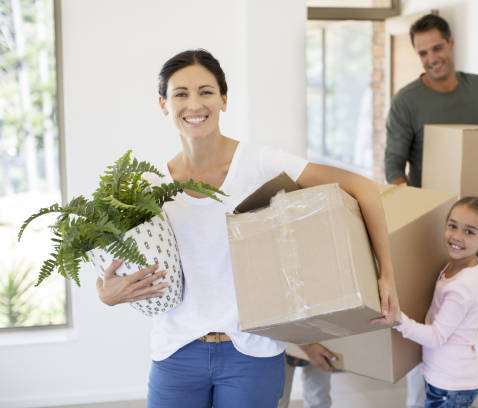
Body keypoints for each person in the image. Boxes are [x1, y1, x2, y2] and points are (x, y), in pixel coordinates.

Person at [95, 49, 399, 408]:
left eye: (206, 91)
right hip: (175, 353)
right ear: (164, 104)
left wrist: (386, 274)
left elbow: (363, 188)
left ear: (224, 99)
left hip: (251, 352)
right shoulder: (149, 186)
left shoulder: (260, 163)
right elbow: (114, 265)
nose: (194, 103)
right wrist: (107, 295)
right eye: (181, 94)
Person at [375, 196, 478, 408]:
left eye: (469, 231)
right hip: (446, 379)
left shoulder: (462, 287)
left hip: (450, 386)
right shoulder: (457, 265)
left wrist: (397, 318)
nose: (456, 236)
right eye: (452, 226)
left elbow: (436, 337)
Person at [384, 14, 478, 187]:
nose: (431, 59)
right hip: (429, 206)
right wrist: (409, 205)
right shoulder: (404, 102)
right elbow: (393, 167)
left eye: (437, 48)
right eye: (423, 53)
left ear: (451, 43)